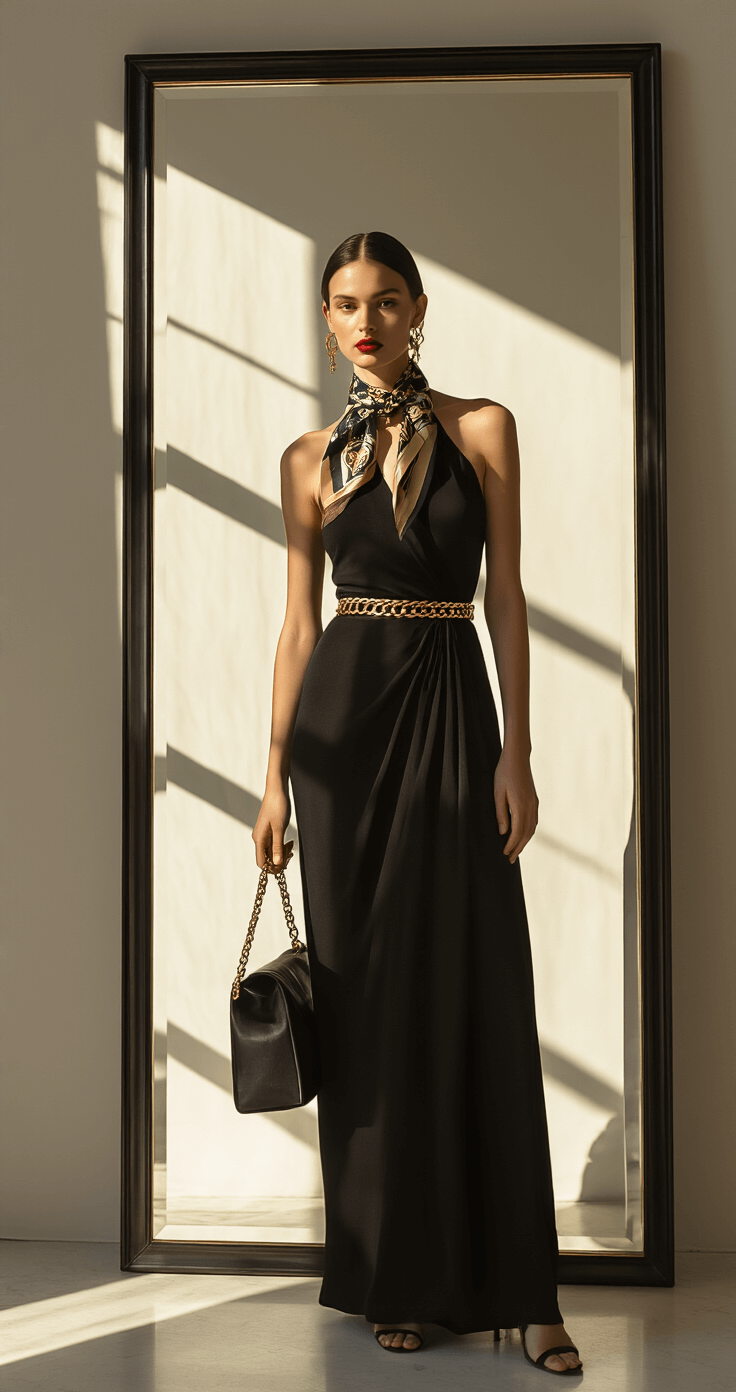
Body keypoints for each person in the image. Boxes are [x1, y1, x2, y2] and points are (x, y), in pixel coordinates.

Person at [252, 230, 583, 1374]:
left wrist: (518, 752)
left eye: (386, 300)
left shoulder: (479, 428)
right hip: (337, 742)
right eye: (345, 302)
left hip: (451, 713)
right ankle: (396, 1272)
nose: (366, 320)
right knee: (370, 1006)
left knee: (480, 978)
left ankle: (526, 1292)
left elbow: (510, 602)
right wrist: (271, 779)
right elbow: (299, 627)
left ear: (419, 308)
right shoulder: (308, 459)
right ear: (327, 316)